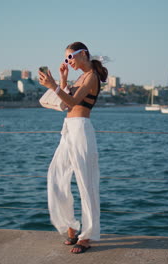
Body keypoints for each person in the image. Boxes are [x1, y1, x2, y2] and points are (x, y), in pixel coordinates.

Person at [38, 42, 108, 254]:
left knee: (86, 183)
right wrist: (62, 80)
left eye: (71, 57)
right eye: (66, 58)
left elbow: (73, 100)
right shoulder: (79, 77)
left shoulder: (91, 77)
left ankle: (86, 236)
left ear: (83, 54)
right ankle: (71, 226)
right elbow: (66, 104)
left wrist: (54, 86)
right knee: (56, 176)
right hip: (68, 129)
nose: (69, 61)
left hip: (81, 130)